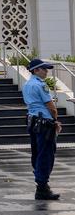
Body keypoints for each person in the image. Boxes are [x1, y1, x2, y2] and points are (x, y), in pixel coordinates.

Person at [22, 58, 62, 200]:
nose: (46, 72)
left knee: (37, 153)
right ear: (35, 70)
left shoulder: (27, 84)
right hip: (44, 124)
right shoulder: (40, 85)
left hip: (33, 121)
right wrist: (55, 120)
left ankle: (41, 184)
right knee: (46, 154)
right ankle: (42, 187)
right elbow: (51, 106)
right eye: (44, 69)